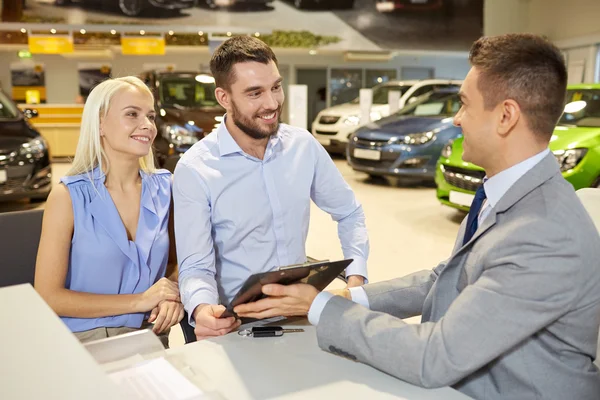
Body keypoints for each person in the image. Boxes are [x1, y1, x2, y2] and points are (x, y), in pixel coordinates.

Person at [234, 33, 600, 399]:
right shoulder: (504, 192)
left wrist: (319, 306)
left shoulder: (545, 234)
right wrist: (350, 297)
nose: (456, 120)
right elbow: (446, 278)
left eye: (465, 105)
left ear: (506, 116)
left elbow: (434, 356)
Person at [173, 35, 369, 340]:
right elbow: (195, 265)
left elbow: (349, 212)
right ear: (224, 98)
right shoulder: (195, 169)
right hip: (237, 326)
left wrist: (356, 279)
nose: (272, 103)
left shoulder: (302, 146)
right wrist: (201, 309)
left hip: (300, 315)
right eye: (255, 93)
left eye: (276, 87)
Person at [34, 76, 183, 348]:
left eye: (150, 116)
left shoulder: (166, 188)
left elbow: (177, 263)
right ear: (100, 124)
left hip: (150, 338)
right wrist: (139, 301)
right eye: (132, 114)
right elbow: (48, 296)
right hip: (83, 343)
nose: (147, 125)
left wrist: (173, 293)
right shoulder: (67, 197)